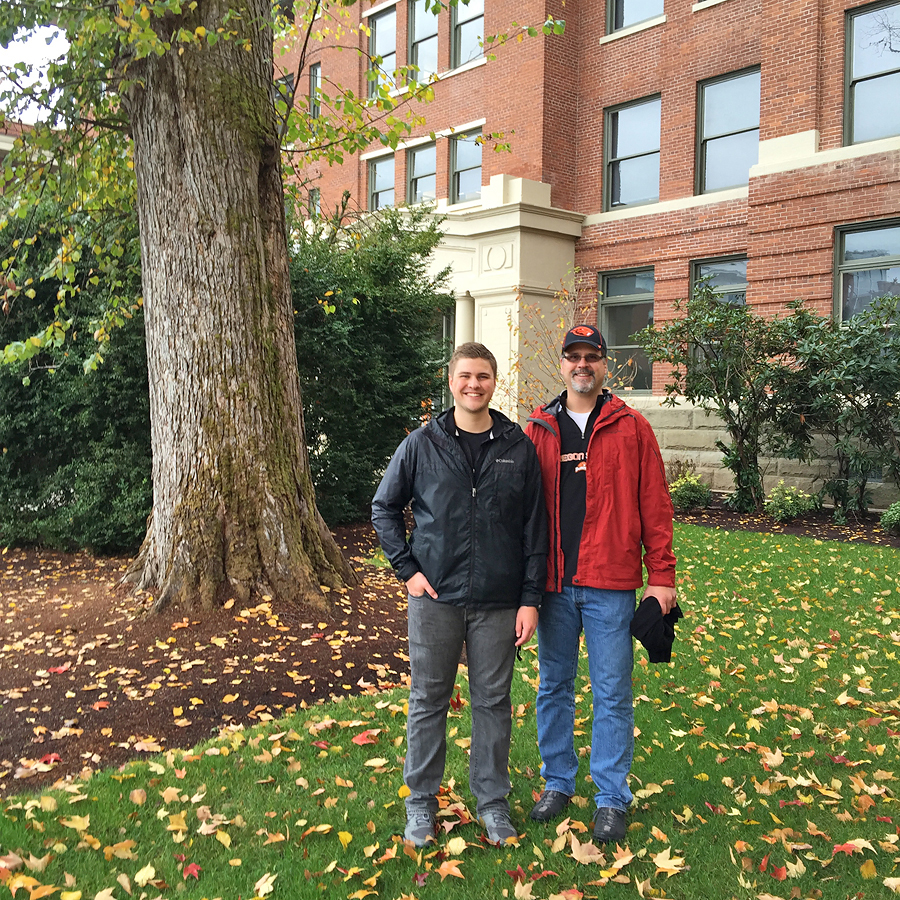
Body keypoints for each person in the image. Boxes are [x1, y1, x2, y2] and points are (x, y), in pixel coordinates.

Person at [372, 342, 547, 847]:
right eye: (466, 376)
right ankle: (421, 806)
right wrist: (407, 570)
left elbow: (536, 530)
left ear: (495, 383)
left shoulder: (517, 447)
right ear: (451, 382)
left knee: (493, 702)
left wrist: (530, 599)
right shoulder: (422, 443)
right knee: (428, 699)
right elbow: (385, 509)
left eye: (484, 377)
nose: (475, 384)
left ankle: (492, 802)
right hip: (436, 599)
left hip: (498, 600)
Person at [524, 324, 677, 844]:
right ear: (562, 364)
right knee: (554, 687)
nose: (582, 365)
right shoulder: (538, 429)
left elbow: (655, 506)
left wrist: (662, 578)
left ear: (605, 365)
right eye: (574, 356)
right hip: (553, 586)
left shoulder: (632, 428)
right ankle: (558, 782)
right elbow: (520, 512)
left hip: (610, 584)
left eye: (592, 356)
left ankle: (611, 797)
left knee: (613, 693)